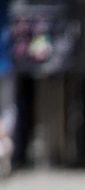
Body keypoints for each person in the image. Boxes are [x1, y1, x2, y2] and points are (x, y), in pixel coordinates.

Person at [0, 0, 15, 177]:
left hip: (6, 60)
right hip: (6, 60)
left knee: (7, 107)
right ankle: (4, 142)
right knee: (8, 108)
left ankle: (3, 143)